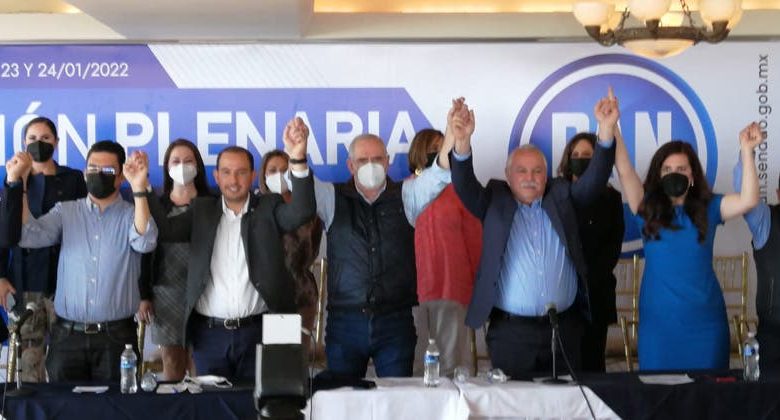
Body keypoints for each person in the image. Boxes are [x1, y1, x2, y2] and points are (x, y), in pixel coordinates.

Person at [450, 93, 617, 379]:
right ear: (508, 175)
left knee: (566, 402)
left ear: (547, 175)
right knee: (514, 402)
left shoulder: (562, 197)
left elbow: (593, 182)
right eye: (522, 171)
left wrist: (606, 130)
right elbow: (464, 185)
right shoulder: (494, 200)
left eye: (537, 171)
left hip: (564, 329)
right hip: (512, 334)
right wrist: (462, 142)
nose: (530, 177)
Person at [146, 118, 315, 380]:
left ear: (252, 175)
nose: (233, 180)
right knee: (211, 401)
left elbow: (302, 211)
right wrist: (142, 189)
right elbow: (166, 231)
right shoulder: (202, 211)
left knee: (260, 401)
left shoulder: (268, 207)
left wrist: (298, 159)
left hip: (261, 331)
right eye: (226, 172)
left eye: (241, 172)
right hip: (209, 335)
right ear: (216, 176)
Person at [614, 94, 763, 370]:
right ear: (658, 174)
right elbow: (624, 170)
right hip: (658, 327)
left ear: (692, 175)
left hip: (705, 325)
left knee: (708, 394)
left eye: (681, 168)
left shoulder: (710, 206)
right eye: (668, 169)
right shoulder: (645, 207)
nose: (675, 173)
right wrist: (612, 126)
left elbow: (748, 199)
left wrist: (747, 150)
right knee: (656, 394)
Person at [0, 140, 157, 382]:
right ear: (84, 174)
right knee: (64, 404)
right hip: (67, 337)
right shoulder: (65, 211)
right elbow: (28, 236)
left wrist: (139, 188)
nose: (98, 174)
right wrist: (18, 183)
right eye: (92, 168)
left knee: (118, 404)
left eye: (107, 170)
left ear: (120, 177)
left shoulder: (131, 214)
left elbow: (145, 242)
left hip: (117, 338)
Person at [314, 112, 453, 379]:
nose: (371, 165)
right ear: (350, 166)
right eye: (362, 160)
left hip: (395, 321)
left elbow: (439, 174)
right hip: (345, 322)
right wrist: (296, 153)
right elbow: (302, 183)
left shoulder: (407, 194)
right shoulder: (331, 197)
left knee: (399, 398)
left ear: (388, 162)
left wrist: (452, 136)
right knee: (343, 397)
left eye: (377, 159)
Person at [0, 116, 87, 382]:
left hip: (67, 280)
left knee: (67, 361)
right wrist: (0, 276)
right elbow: (4, 231)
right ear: (24, 143)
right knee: (29, 363)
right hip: (25, 280)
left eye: (46, 138)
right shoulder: (12, 179)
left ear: (57, 142)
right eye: (33, 139)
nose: (39, 143)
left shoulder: (73, 178)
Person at [408, 128, 482, 377]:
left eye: (444, 148)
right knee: (417, 367)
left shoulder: (461, 190)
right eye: (434, 149)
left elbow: (474, 240)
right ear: (419, 152)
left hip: (451, 287)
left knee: (451, 366)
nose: (441, 153)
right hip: (411, 292)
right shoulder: (405, 190)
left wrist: (477, 284)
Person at [136, 139, 211, 381]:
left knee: (201, 362)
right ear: (167, 167)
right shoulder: (157, 205)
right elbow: (145, 251)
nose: (182, 166)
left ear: (198, 166)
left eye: (188, 161)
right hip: (166, 293)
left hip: (205, 291)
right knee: (172, 364)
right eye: (175, 161)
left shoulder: (211, 203)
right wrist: (144, 295)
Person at [557, 132, 624, 372]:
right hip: (561, 295)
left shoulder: (612, 198)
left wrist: (586, 277)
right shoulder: (556, 194)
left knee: (593, 366)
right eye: (575, 154)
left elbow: (613, 247)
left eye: (587, 155)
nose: (580, 159)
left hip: (596, 293)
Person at [257, 149, 323, 358]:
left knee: (294, 362)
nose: (279, 175)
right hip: (262, 300)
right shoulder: (254, 210)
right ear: (263, 176)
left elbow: (313, 250)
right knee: (267, 362)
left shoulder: (308, 211)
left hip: (301, 295)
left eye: (285, 170)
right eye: (272, 170)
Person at [732, 151, 779, 372]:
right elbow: (746, 198)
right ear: (778, 193)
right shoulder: (766, 221)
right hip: (774, 338)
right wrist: (746, 152)